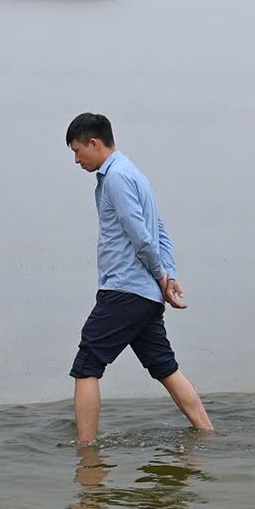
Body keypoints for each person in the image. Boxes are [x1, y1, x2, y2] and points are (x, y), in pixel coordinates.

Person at [65, 113, 214, 446]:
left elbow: (142, 236)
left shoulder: (116, 177)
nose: (76, 160)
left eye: (77, 151)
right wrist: (169, 276)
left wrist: (162, 276)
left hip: (124, 289)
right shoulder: (136, 174)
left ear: (94, 143)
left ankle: (86, 454)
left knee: (87, 365)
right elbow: (160, 229)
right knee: (165, 367)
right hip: (145, 296)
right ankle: (208, 434)